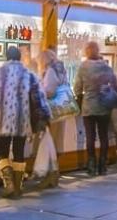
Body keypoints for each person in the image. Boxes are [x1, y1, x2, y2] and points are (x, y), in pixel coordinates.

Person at [0, 46, 49, 198]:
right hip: (22, 119)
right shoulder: (29, 74)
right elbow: (39, 99)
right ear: (19, 58)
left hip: (2, 119)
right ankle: (18, 188)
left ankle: (9, 186)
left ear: (6, 57)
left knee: (2, 151)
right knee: (19, 151)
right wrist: (43, 117)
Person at [74, 41, 117, 176]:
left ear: (87, 52)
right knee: (104, 136)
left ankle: (91, 165)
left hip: (88, 107)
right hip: (104, 106)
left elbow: (77, 88)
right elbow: (115, 85)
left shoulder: (83, 67)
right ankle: (103, 165)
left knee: (90, 137)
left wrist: (81, 97)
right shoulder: (105, 66)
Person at [36, 48, 67, 189]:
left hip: (51, 112)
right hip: (61, 111)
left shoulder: (50, 71)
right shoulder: (61, 69)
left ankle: (51, 175)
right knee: (55, 143)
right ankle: (54, 175)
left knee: (49, 144)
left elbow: (49, 91)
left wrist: (39, 88)